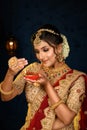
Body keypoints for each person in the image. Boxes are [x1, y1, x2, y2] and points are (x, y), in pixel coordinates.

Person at [0, 24, 87, 130]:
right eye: (37, 52)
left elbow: (67, 118)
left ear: (59, 48)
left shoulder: (77, 78)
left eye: (45, 50)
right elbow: (5, 97)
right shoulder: (32, 69)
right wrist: (10, 74)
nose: (40, 56)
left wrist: (47, 85)